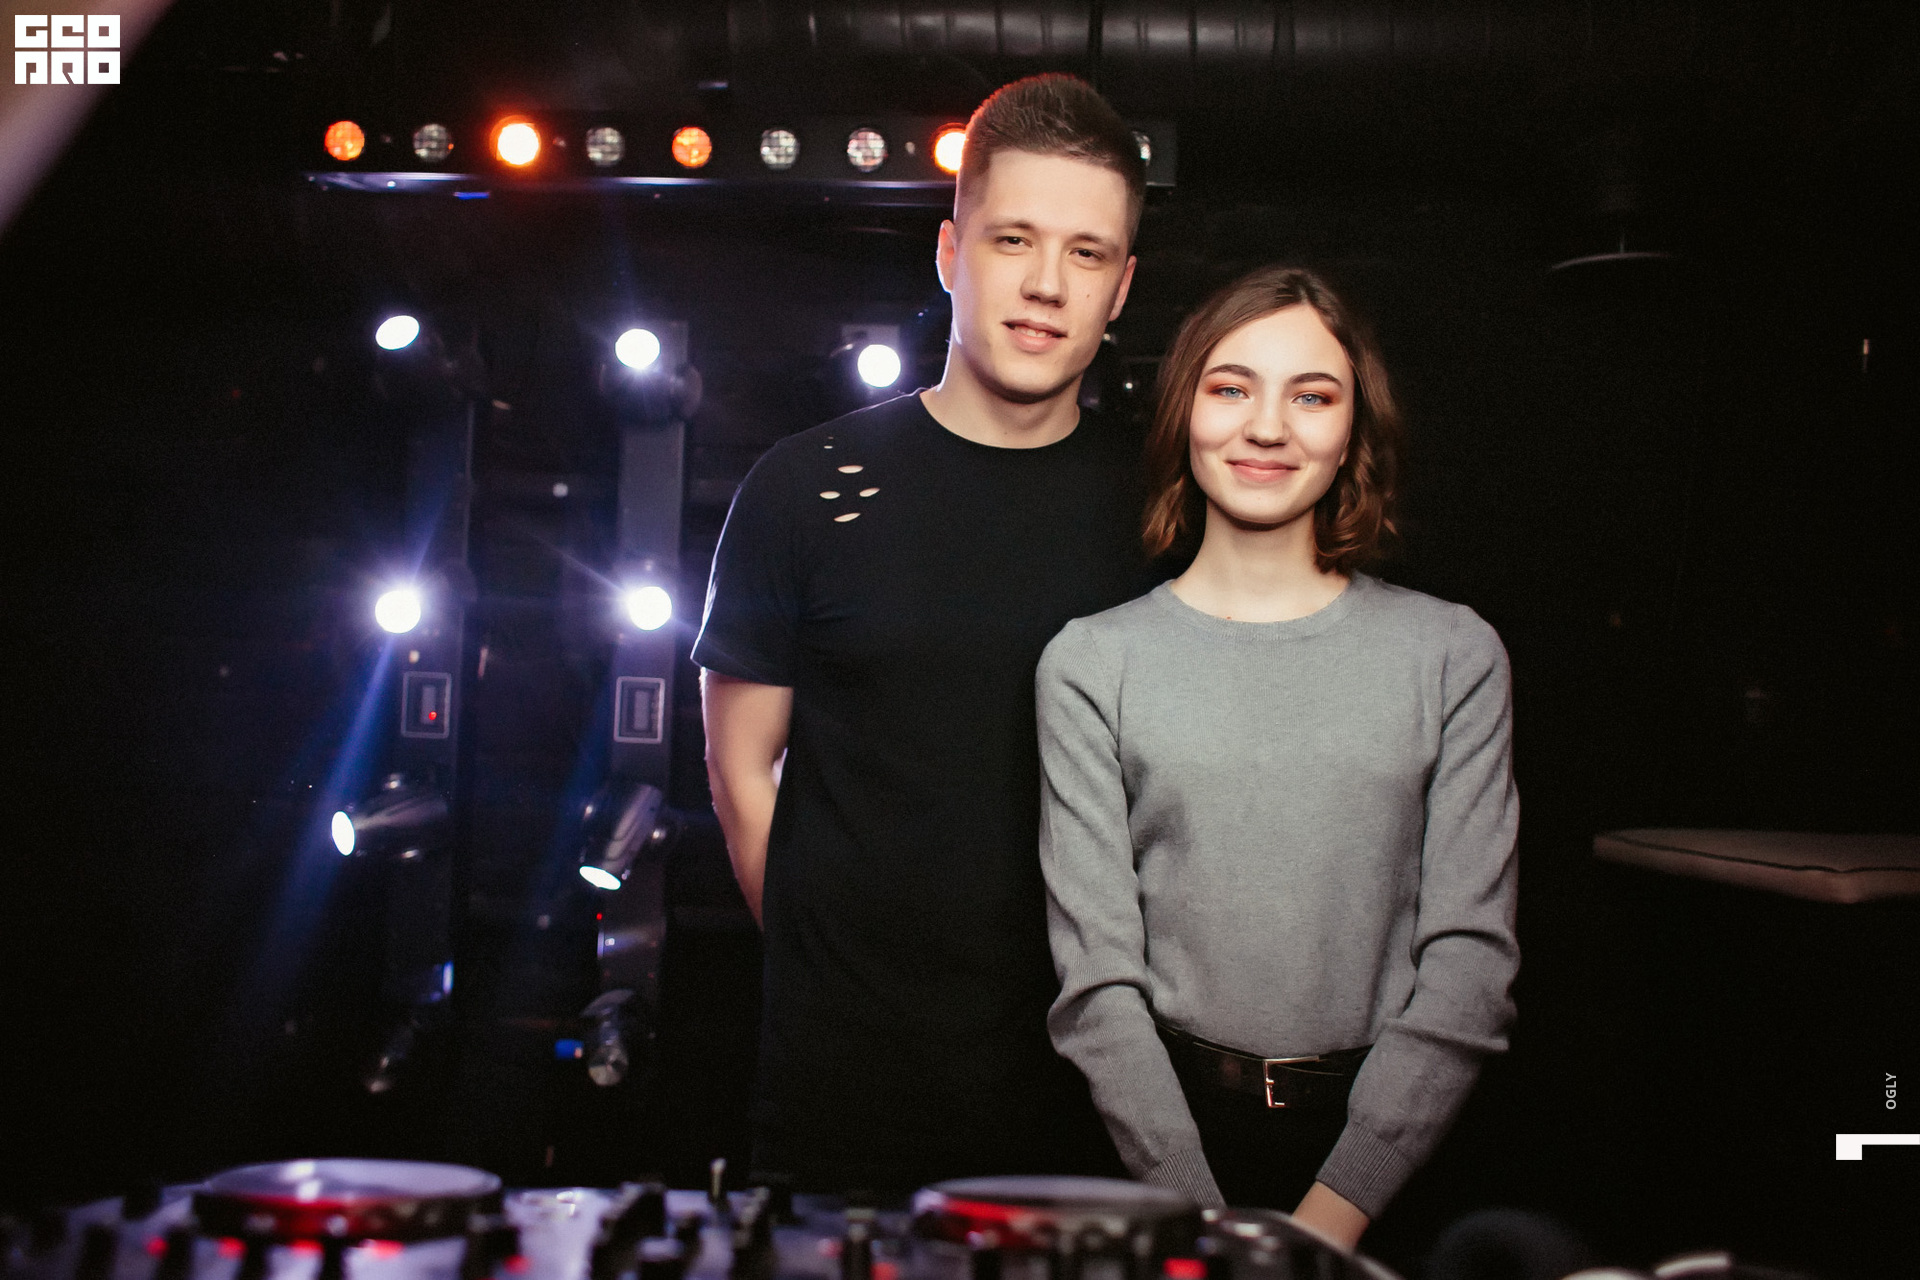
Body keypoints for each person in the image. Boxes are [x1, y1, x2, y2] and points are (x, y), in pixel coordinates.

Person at [694, 74, 1153, 1193]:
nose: (1046, 285)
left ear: (1122, 287)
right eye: (1014, 239)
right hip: (842, 1104)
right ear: (950, 253)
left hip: (1095, 1111)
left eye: (1086, 253)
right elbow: (740, 768)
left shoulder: (1165, 510)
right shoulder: (801, 487)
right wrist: (834, 979)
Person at [1036, 265, 1520, 1247]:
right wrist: (1205, 1221)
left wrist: (1331, 1218)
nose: (1267, 427)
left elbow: (1471, 961)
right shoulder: (1091, 662)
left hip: (1394, 1162)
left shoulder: (1452, 652)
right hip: (1164, 1156)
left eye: (1312, 395)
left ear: (1353, 432)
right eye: (1232, 387)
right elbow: (1096, 985)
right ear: (1184, 411)